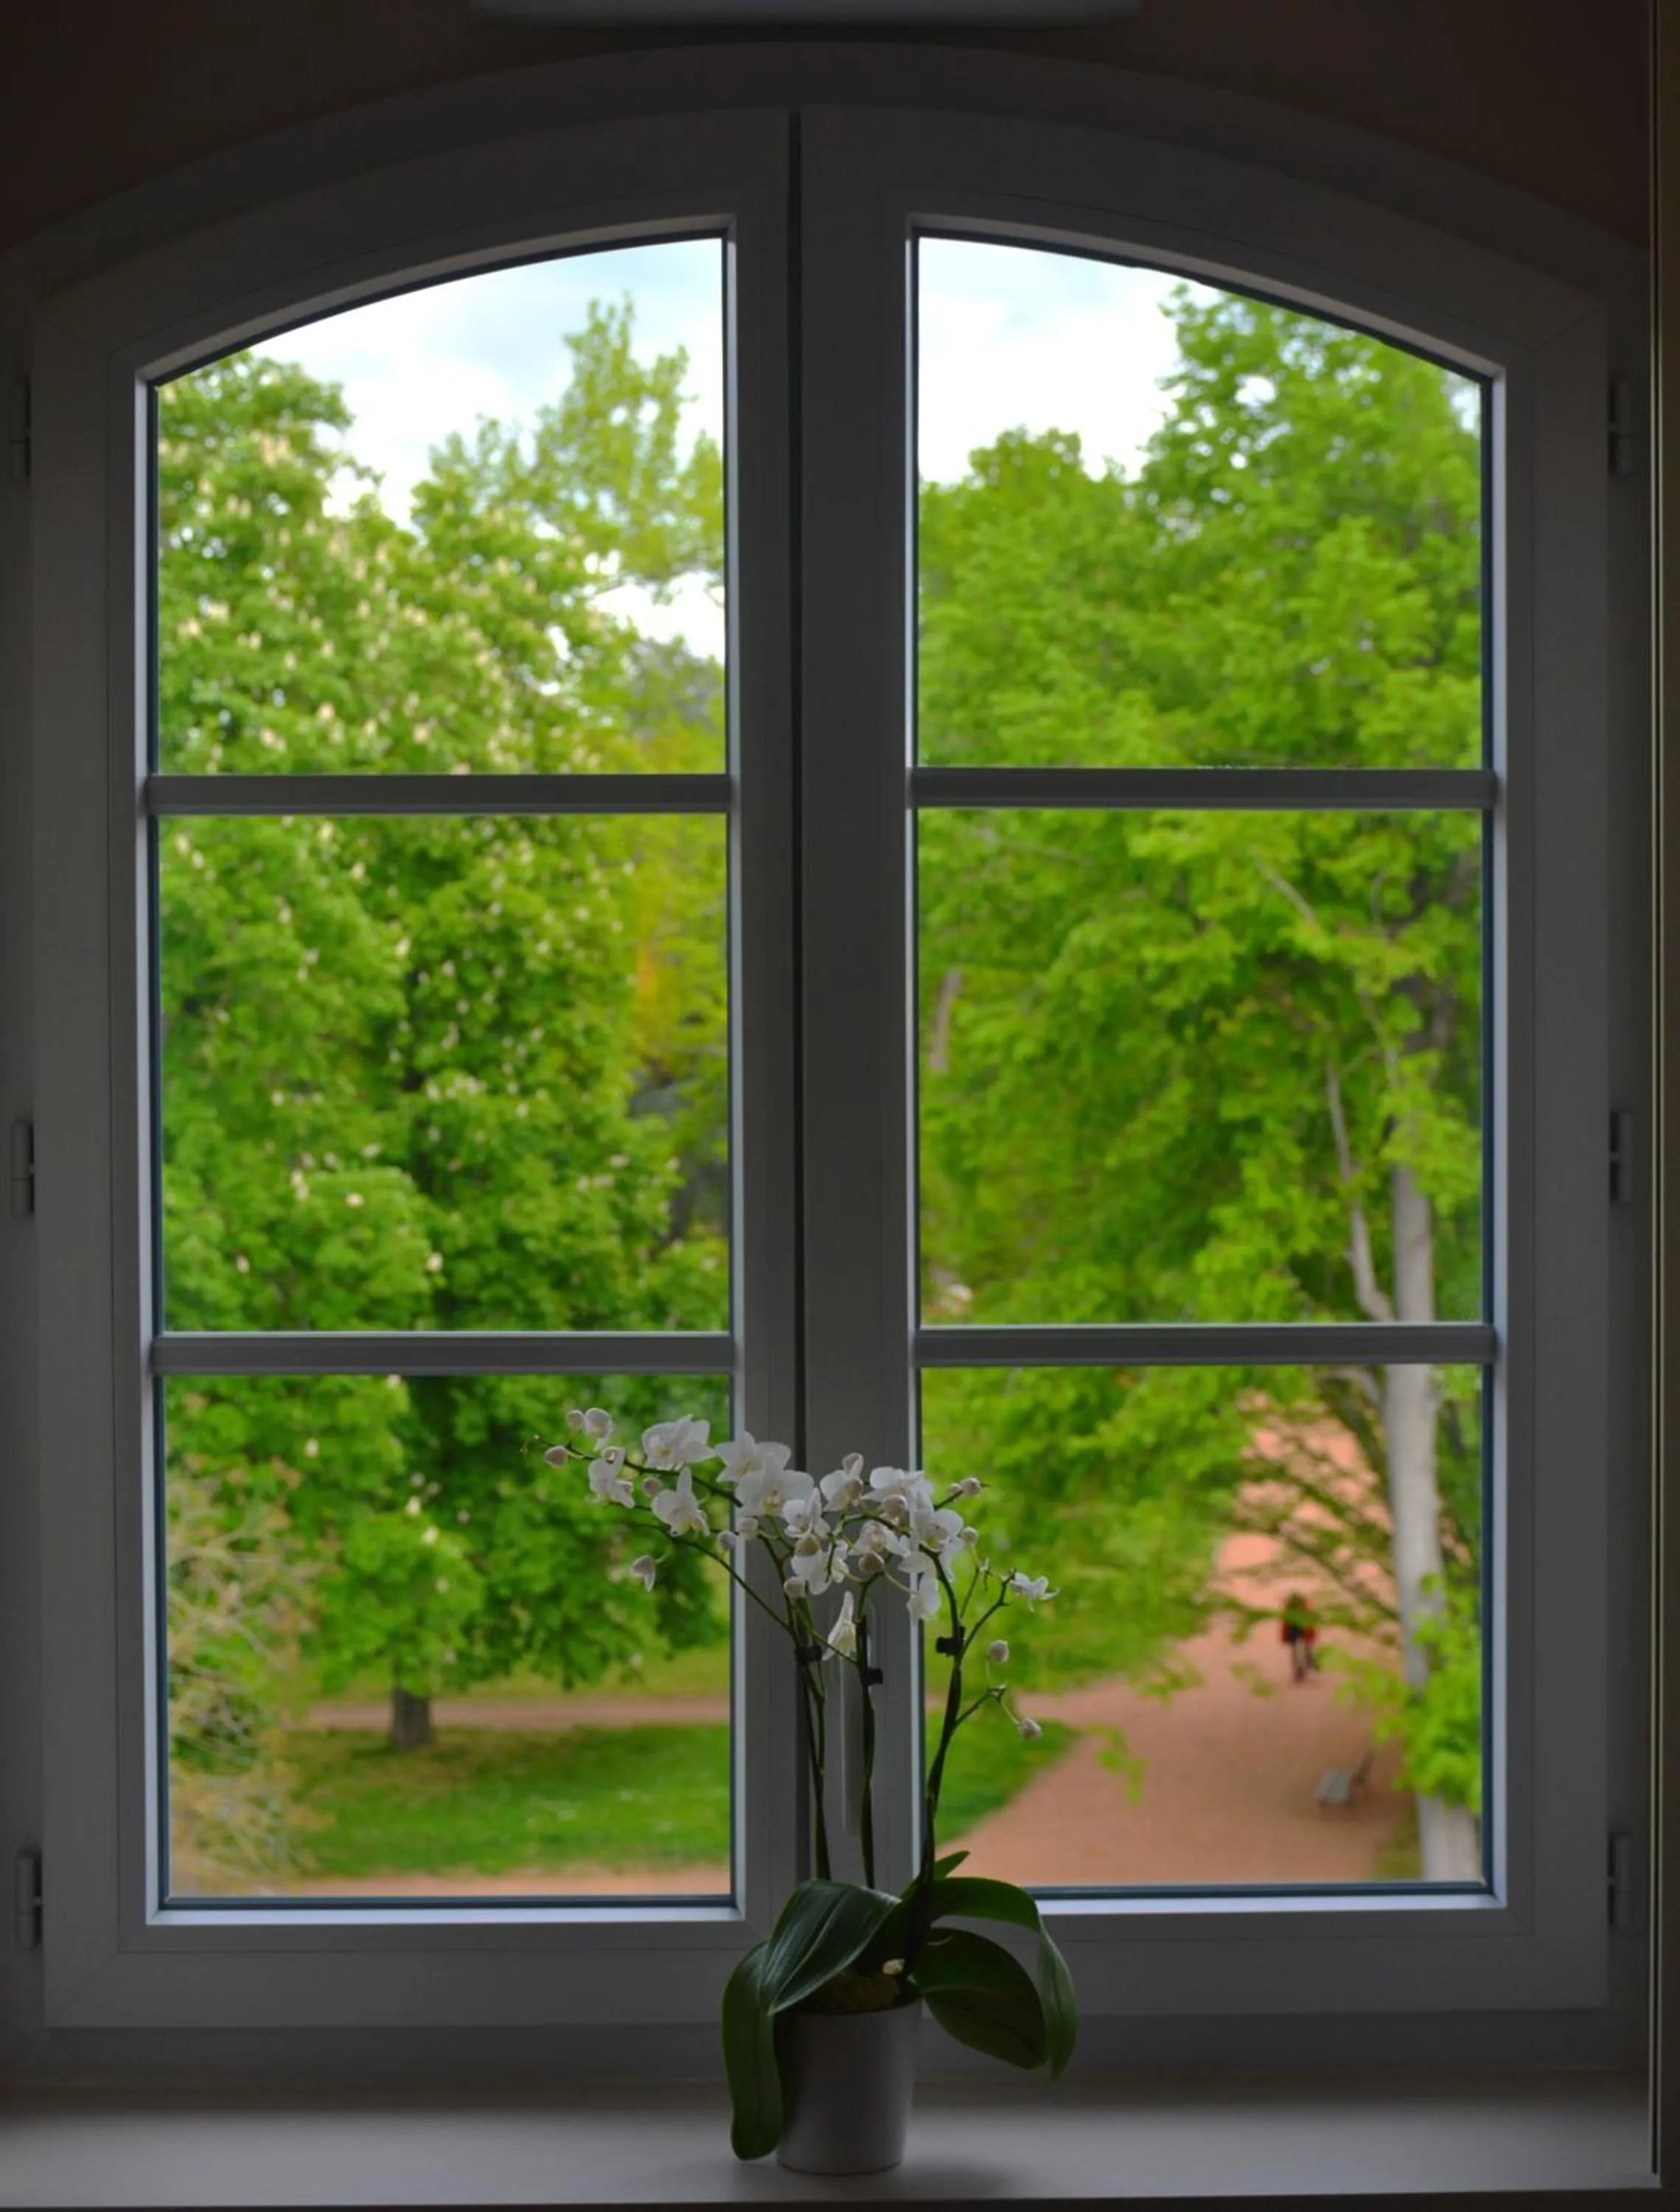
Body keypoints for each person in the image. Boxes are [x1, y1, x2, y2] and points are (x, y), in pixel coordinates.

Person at [1280, 1591, 1319, 1683]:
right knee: (1299, 1651)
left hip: (1300, 1631)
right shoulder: (1294, 1610)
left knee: (1302, 1650)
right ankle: (1301, 1668)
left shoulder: (1298, 1610)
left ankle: (1304, 1666)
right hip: (1295, 1631)